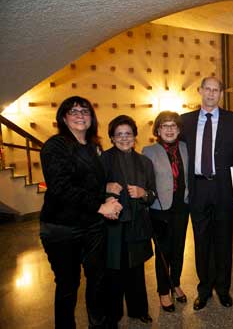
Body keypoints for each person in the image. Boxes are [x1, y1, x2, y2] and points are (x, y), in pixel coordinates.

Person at [39, 96, 123, 329]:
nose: (80, 115)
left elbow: (91, 183)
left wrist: (106, 192)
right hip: (61, 228)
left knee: (97, 280)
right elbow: (61, 188)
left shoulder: (93, 146)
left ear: (92, 117)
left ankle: (98, 324)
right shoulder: (55, 146)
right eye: (73, 111)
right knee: (68, 284)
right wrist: (100, 206)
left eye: (85, 111)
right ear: (64, 118)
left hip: (92, 226)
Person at [180, 76, 233, 311]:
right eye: (207, 89)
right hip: (197, 188)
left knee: (223, 241)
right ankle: (204, 289)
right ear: (199, 91)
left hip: (223, 189)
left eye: (215, 90)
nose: (211, 93)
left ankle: (223, 288)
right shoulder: (184, 121)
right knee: (201, 242)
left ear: (221, 93)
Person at [100, 115, 156, 326]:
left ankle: (139, 309)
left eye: (128, 134)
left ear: (135, 137)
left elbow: (152, 195)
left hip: (137, 224)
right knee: (113, 270)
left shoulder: (144, 162)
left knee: (136, 269)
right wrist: (105, 188)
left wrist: (143, 193)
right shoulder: (103, 159)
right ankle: (112, 314)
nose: (124, 138)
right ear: (112, 138)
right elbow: (89, 190)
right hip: (111, 226)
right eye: (119, 134)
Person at [142, 111, 189, 313]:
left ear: (178, 129)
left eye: (173, 126)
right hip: (160, 209)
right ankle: (163, 290)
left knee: (178, 248)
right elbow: (144, 181)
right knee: (164, 251)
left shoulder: (186, 148)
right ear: (158, 130)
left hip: (182, 207)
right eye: (165, 126)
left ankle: (175, 282)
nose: (169, 129)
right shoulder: (149, 151)